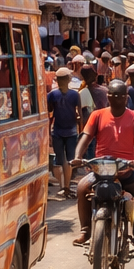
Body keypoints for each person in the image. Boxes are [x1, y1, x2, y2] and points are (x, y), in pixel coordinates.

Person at [71, 81, 134, 249]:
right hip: (101, 169)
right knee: (81, 188)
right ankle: (85, 229)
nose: (117, 99)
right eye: (113, 96)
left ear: (126, 98)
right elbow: (85, 137)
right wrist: (78, 156)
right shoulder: (97, 115)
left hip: (125, 169)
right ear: (107, 97)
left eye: (121, 96)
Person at [47, 69, 82, 198]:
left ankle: (64, 187)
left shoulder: (55, 95)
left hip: (65, 131)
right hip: (62, 131)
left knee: (63, 161)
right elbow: (80, 115)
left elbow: (49, 114)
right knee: (65, 160)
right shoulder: (70, 95)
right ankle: (64, 187)